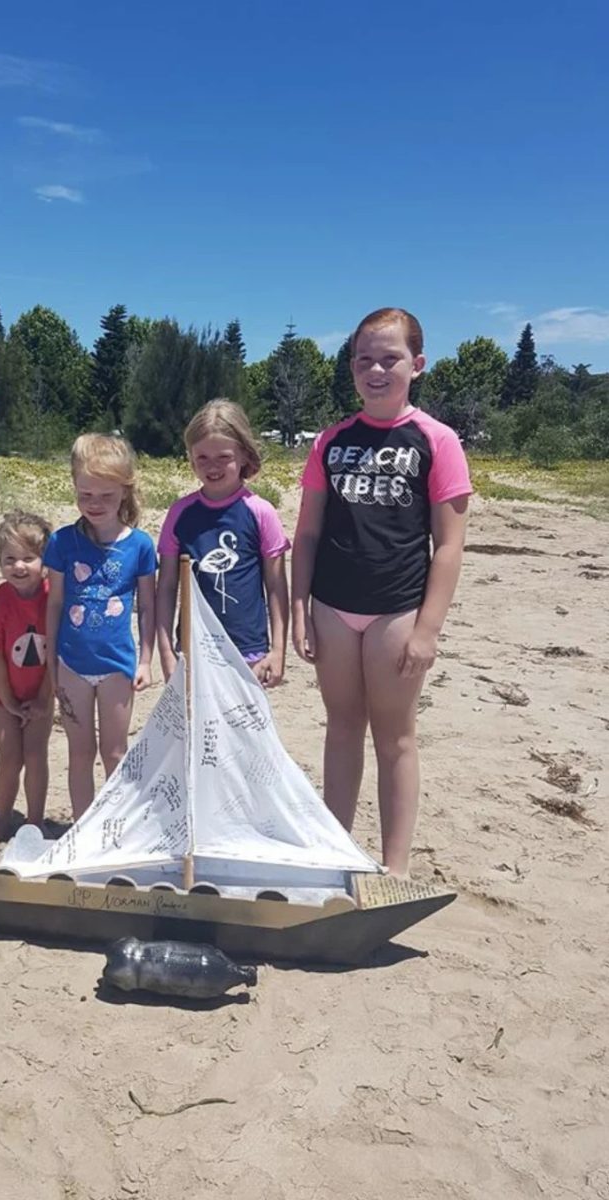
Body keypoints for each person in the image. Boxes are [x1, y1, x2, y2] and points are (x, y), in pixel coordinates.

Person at [290, 307, 472, 878]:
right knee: (341, 727)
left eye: (389, 358)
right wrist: (300, 607)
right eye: (364, 359)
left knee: (395, 738)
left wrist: (428, 629)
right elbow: (309, 531)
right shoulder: (331, 440)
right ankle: (333, 852)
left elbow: (448, 545)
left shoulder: (436, 440)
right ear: (351, 367)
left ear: (415, 365)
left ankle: (395, 868)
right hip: (333, 608)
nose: (376, 369)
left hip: (398, 609)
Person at [45, 434, 156, 820]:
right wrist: (51, 663)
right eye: (86, 494)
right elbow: (55, 603)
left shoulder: (140, 546)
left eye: (106, 496)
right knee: (79, 751)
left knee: (114, 751)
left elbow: (147, 606)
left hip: (117, 666)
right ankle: (83, 827)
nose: (95, 504)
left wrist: (145, 660)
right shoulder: (61, 542)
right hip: (72, 664)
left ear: (124, 493)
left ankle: (115, 825)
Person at [155, 399, 289, 687]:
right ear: (191, 458)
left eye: (223, 457)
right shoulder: (180, 513)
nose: (212, 466)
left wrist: (278, 651)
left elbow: (276, 586)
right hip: (194, 650)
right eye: (202, 457)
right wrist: (166, 652)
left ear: (243, 456)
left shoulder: (260, 511)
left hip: (248, 650)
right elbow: (166, 587)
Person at [0, 510, 53, 843]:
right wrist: (9, 703)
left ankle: (35, 821)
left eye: (28, 558)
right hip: (1, 693)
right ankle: (1, 820)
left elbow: (57, 656)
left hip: (42, 690)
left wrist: (42, 699)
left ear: (45, 560)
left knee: (35, 754)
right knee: (10, 758)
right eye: (10, 559)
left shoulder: (54, 598)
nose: (19, 567)